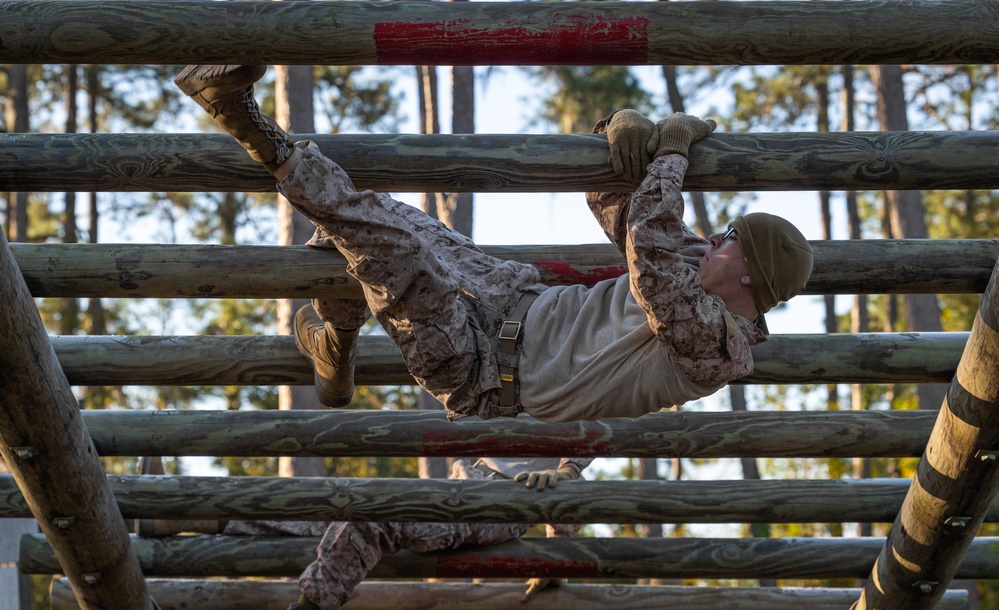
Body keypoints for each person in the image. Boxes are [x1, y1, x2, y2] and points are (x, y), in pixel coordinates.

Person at [174, 64, 813, 423]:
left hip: (481, 368)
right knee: (373, 216)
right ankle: (333, 340)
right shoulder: (697, 272)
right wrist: (619, 134)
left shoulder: (716, 346)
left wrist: (670, 157)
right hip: (510, 297)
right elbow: (620, 212)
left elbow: (651, 257)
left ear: (750, 276)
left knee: (386, 245)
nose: (712, 241)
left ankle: (246, 124)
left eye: (728, 237)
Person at [140, 456, 592, 610]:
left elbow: (577, 484)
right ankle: (180, 519)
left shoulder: (585, 400)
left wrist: (551, 560)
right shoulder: (515, 371)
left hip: (496, 505)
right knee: (317, 508)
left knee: (375, 514)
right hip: (459, 488)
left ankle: (311, 605)